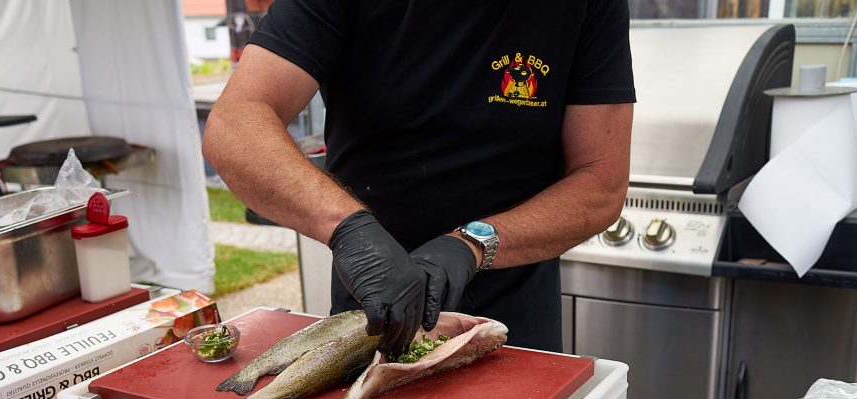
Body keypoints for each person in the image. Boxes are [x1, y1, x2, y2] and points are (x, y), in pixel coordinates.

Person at [203, 0, 635, 356]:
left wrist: (473, 244)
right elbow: (234, 125)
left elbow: (601, 183)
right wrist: (350, 230)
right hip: (373, 302)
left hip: (512, 311)